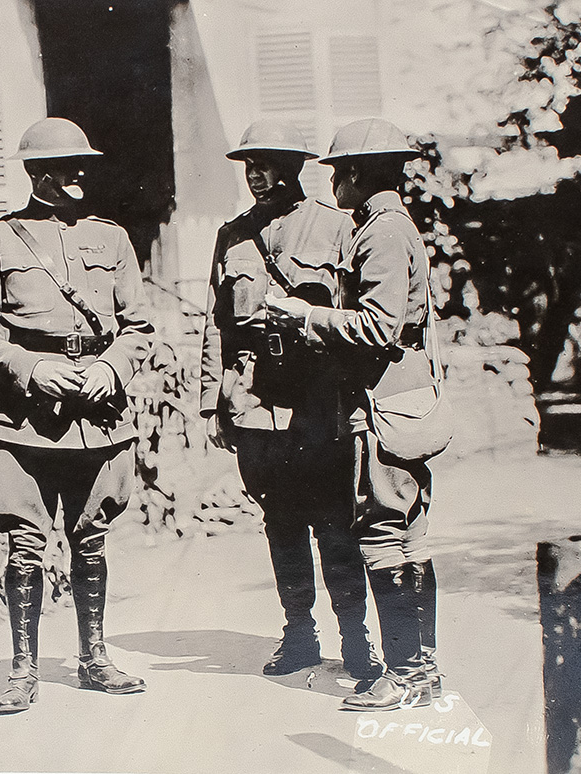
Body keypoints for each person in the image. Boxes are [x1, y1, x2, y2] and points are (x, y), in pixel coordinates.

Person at [0, 117, 154, 715]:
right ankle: (23, 670)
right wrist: (29, 368)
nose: (79, 175)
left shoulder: (112, 238)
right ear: (36, 173)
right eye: (66, 166)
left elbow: (139, 327)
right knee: (25, 542)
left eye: (83, 164)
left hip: (96, 410)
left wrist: (112, 369)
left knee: (90, 538)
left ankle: (94, 658)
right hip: (25, 417)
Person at [267, 118, 442, 711]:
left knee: (386, 535)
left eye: (339, 172)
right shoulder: (389, 227)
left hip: (380, 407)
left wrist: (302, 316)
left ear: (358, 174)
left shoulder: (381, 234)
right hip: (399, 401)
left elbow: (377, 326)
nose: (334, 183)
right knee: (408, 536)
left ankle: (406, 675)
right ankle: (421, 673)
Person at [199, 120, 382, 682]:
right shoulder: (233, 236)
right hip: (255, 399)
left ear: (294, 167)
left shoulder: (338, 229)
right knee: (279, 520)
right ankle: (299, 633)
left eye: (267, 163)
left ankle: (356, 638)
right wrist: (213, 402)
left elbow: (362, 318)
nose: (256, 174)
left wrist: (358, 399)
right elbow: (216, 323)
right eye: (249, 165)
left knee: (335, 521)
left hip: (318, 399)